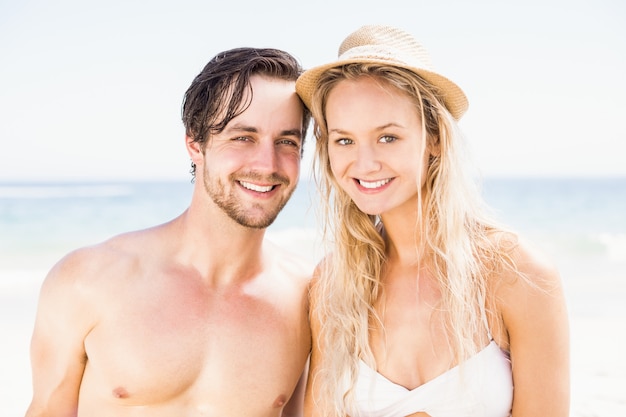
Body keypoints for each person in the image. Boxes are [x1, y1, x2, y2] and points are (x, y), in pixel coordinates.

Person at [296, 25, 570, 417]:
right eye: (344, 140)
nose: (365, 162)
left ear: (435, 137)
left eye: (388, 137)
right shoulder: (332, 286)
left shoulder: (517, 274)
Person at [25, 47, 312, 417]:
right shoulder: (88, 279)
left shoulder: (306, 297)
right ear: (195, 143)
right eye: (243, 137)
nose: (267, 164)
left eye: (287, 142)